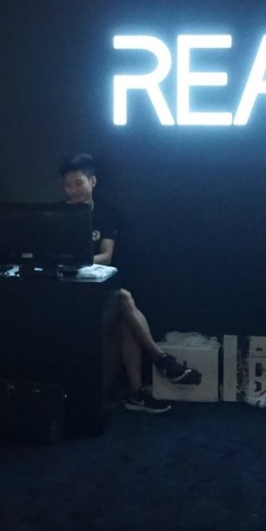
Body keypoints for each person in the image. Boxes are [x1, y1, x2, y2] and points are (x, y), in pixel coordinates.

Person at [60, 153, 201, 414]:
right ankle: (159, 362)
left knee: (123, 307)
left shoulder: (106, 213)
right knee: (124, 299)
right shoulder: (58, 213)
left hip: (97, 285)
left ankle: (138, 390)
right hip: (67, 289)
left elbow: (106, 256)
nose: (73, 190)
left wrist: (77, 260)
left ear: (92, 181)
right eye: (68, 185)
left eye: (78, 183)